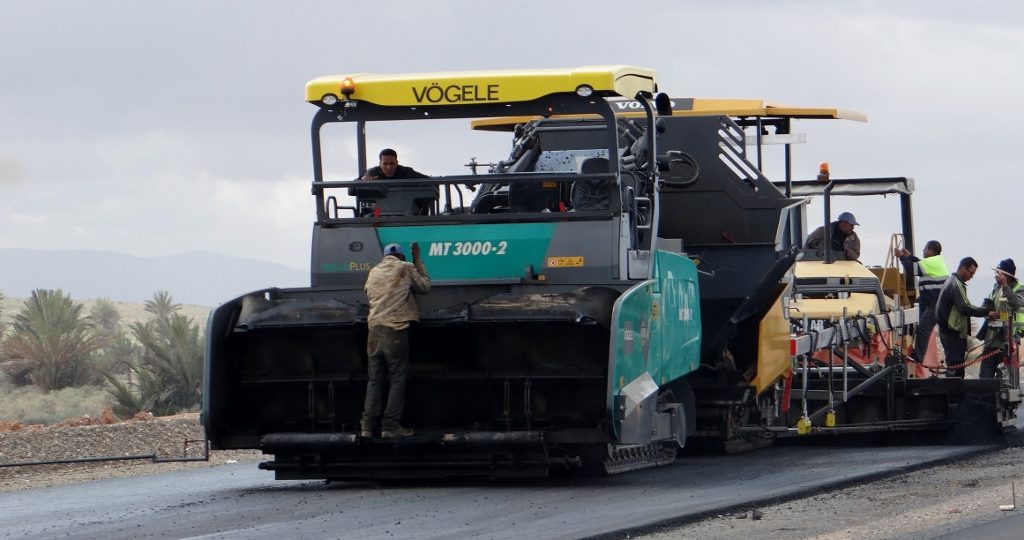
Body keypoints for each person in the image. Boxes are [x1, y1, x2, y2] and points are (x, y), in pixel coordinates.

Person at [360, 242, 430, 439]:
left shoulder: (373, 272)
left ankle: (367, 427)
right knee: (397, 379)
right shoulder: (405, 267)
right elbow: (425, 287)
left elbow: (368, 292)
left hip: (373, 331)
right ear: (401, 257)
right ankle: (390, 426)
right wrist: (417, 261)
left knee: (375, 380)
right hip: (395, 331)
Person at [935, 257, 996, 378]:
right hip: (953, 334)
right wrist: (986, 311)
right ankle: (955, 394)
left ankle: (954, 392)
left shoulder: (951, 281)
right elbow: (965, 307)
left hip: (948, 332)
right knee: (956, 368)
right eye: (971, 273)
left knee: (955, 366)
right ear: (963, 268)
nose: (972, 276)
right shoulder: (956, 284)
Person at [895, 240, 949, 361]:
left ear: (930, 250)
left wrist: (901, 257)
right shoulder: (936, 261)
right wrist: (909, 256)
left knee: (924, 327)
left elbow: (913, 269)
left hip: (936, 302)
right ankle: (917, 353)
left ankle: (918, 357)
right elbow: (920, 263)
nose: (923, 251)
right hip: (934, 300)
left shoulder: (932, 262)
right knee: (923, 325)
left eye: (925, 249)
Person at [978, 259, 1024, 379]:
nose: (996, 276)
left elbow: (1016, 303)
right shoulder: (995, 288)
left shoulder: (1020, 289)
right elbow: (986, 307)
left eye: (999, 273)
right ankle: (986, 398)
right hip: (990, 340)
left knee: (1004, 380)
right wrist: (988, 313)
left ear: (1006, 276)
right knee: (985, 377)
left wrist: (1004, 285)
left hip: (1008, 342)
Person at [361, 148, 429, 180]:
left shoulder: (406, 172)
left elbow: (428, 181)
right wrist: (362, 180)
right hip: (379, 208)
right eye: (385, 164)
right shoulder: (372, 173)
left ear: (397, 163)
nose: (389, 167)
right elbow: (352, 190)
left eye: (392, 163)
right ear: (380, 163)